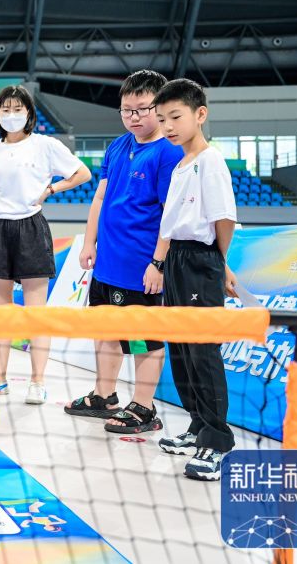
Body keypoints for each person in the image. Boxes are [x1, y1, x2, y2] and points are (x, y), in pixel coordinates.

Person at [65, 70, 182, 434]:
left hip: (142, 265)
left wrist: (158, 263)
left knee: (145, 340)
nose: (134, 116)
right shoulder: (118, 146)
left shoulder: (168, 152)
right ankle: (104, 396)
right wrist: (89, 242)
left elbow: (171, 213)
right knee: (105, 330)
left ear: (159, 108)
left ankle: (144, 407)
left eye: (142, 109)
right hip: (107, 263)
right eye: (127, 109)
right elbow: (100, 197)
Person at [0, 85, 90, 404]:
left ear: (29, 113)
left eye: (17, 109)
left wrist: (51, 190)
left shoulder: (45, 145)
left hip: (31, 229)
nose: (11, 115)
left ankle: (38, 381)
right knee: (0, 314)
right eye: (5, 109)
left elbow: (82, 173)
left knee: (36, 314)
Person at [153, 79, 239, 482]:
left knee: (203, 352)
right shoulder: (180, 165)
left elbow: (223, 219)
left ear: (200, 114)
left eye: (175, 116)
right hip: (176, 260)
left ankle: (217, 440)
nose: (168, 126)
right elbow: (170, 224)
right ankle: (197, 425)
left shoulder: (211, 160)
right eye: (162, 119)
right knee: (182, 351)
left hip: (200, 260)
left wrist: (219, 264)